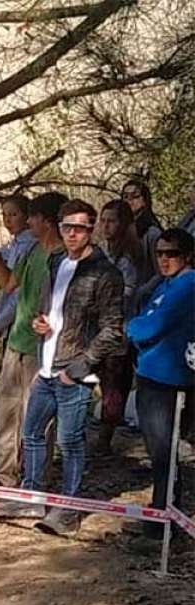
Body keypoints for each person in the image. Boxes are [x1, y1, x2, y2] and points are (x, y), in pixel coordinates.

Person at [0, 199, 125, 535]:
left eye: (80, 227)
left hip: (75, 372)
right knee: (33, 433)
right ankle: (32, 495)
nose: (72, 233)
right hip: (47, 364)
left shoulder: (104, 272)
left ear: (90, 228)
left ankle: (69, 508)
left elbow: (113, 329)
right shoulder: (55, 261)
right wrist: (41, 323)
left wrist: (79, 368)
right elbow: (48, 304)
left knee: (70, 442)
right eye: (67, 226)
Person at [0, 192, 65, 486]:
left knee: (37, 416)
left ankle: (35, 476)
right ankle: (6, 473)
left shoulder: (63, 259)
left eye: (32, 217)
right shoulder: (31, 252)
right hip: (17, 342)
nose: (28, 222)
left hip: (43, 349)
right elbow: (9, 285)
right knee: (7, 412)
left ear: (48, 221)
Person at [124, 227, 195, 546]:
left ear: (188, 256)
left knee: (163, 450)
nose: (164, 259)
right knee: (158, 451)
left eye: (172, 254)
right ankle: (160, 514)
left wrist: (133, 329)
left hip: (166, 378)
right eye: (160, 253)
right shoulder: (167, 284)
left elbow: (150, 324)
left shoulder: (187, 285)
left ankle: (165, 522)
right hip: (152, 372)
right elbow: (147, 315)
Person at [93, 199, 145, 453]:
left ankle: (105, 437)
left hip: (119, 330)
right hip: (96, 329)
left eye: (111, 221)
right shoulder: (100, 251)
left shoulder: (129, 259)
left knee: (114, 385)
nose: (106, 226)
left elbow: (126, 293)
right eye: (103, 220)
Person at [0, 195, 36, 341]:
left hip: (21, 326)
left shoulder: (29, 246)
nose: (7, 220)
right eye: (4, 215)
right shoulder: (16, 243)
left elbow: (13, 291)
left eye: (13, 215)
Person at [122, 177, 163, 279]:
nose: (129, 200)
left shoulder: (152, 233)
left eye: (135, 196)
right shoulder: (119, 229)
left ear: (145, 200)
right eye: (125, 196)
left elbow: (160, 272)